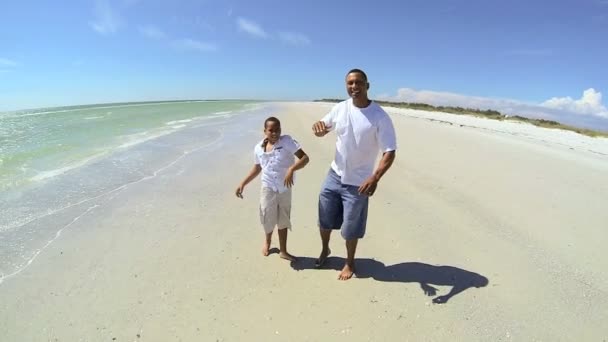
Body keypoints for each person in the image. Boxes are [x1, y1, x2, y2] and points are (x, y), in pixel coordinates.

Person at [312, 68, 397, 280]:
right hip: (334, 174)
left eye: (358, 82)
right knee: (324, 219)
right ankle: (325, 249)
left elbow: (389, 152)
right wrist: (318, 128)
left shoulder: (379, 117)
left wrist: (375, 177)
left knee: (350, 228)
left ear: (367, 86)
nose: (354, 87)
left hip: (358, 183)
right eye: (350, 83)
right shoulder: (340, 108)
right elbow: (322, 127)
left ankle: (349, 262)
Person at [236, 116, 309, 261]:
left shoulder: (287, 142)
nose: (275, 133)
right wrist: (243, 183)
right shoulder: (258, 148)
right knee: (267, 216)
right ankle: (267, 242)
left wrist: (291, 169)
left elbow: (305, 158)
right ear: (265, 131)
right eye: (271, 130)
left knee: (283, 219)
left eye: (278, 130)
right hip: (268, 187)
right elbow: (257, 168)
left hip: (284, 188)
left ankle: (283, 251)